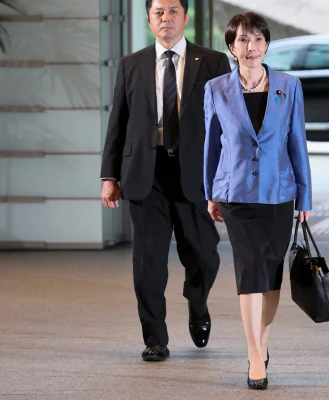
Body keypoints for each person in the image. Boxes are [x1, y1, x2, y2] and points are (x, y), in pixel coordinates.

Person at [100, 0, 230, 362]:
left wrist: (225, 177)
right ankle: (155, 338)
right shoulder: (132, 64)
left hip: (195, 174)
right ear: (148, 19)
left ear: (185, 17)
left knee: (204, 255)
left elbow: (226, 124)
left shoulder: (213, 62)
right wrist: (110, 175)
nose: (166, 18)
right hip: (146, 173)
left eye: (173, 11)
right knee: (149, 263)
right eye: (159, 12)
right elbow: (118, 123)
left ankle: (198, 303)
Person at [203, 12, 312, 390]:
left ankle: (262, 342)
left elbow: (297, 143)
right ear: (231, 47)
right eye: (243, 40)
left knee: (271, 272)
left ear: (267, 44)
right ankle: (254, 356)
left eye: (258, 40)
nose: (251, 47)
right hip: (236, 194)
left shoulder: (289, 86)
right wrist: (210, 192)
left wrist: (304, 195)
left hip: (278, 193)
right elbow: (211, 146)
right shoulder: (216, 88)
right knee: (249, 269)